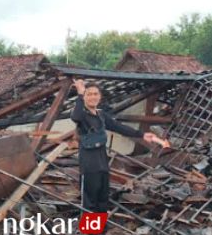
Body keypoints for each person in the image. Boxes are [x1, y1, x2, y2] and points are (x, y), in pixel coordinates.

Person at [71, 79, 169, 212]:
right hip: (89, 164)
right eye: (89, 94)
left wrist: (141, 134)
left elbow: (118, 127)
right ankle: (90, 232)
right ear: (85, 97)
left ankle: (100, 230)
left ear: (100, 96)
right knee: (90, 201)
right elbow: (76, 116)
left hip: (102, 162)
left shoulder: (101, 115)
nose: (93, 97)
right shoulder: (82, 115)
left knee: (102, 199)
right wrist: (80, 93)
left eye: (95, 94)